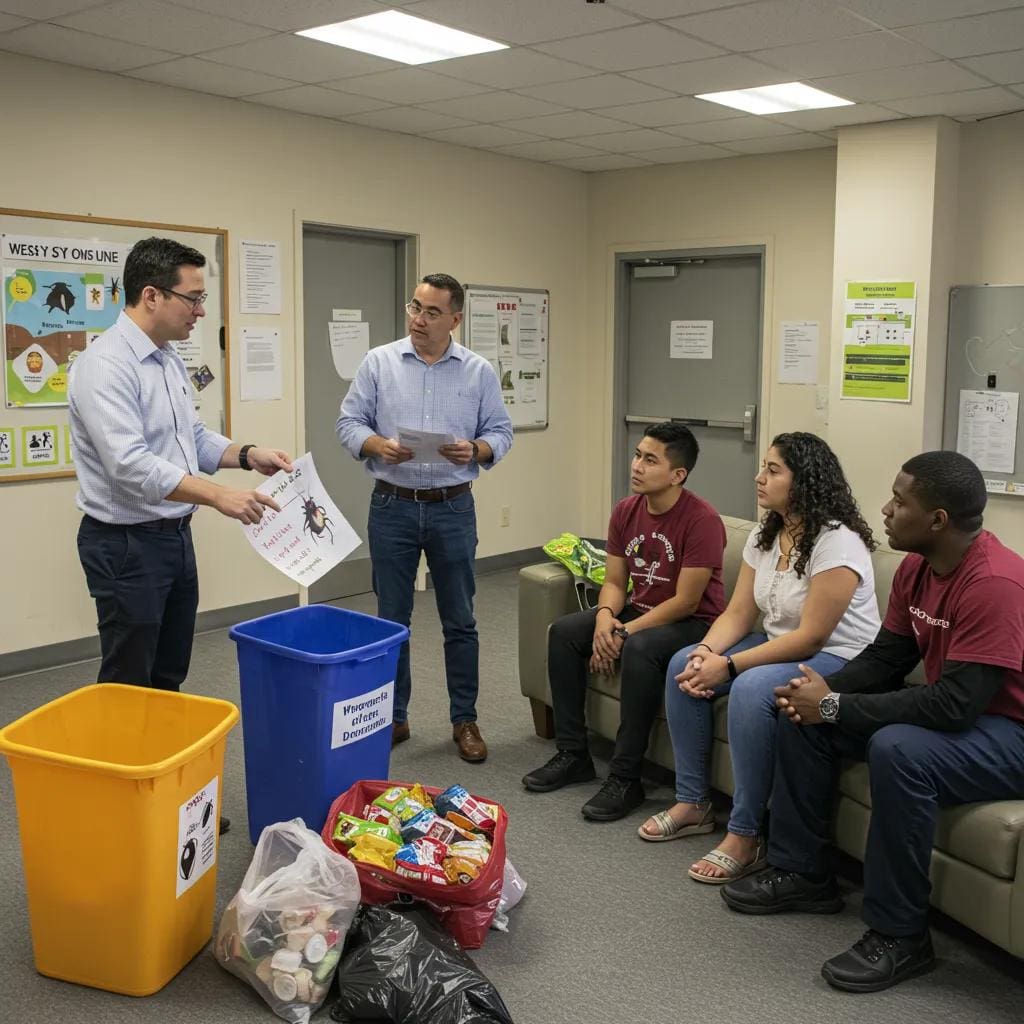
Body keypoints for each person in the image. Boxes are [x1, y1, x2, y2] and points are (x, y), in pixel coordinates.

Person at [722, 451, 1024, 993]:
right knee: (801, 714)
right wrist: (819, 693)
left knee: (898, 750)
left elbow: (955, 705)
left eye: (900, 502)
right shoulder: (916, 568)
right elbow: (887, 658)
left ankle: (901, 936)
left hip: (1011, 731)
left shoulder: (995, 583)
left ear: (938, 519)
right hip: (969, 715)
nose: (885, 509)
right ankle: (803, 872)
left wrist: (834, 705)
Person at [69, 237, 293, 831]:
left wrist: (246, 453)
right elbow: (130, 465)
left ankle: (167, 800)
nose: (200, 310)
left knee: (167, 675)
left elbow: (188, 437)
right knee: (128, 683)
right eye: (192, 298)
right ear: (151, 295)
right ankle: (122, 814)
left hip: (172, 539)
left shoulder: (166, 358)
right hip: (125, 545)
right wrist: (219, 496)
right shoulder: (104, 366)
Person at [641, 433, 880, 884]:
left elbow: (811, 637)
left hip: (840, 657)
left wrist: (730, 666)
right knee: (682, 663)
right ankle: (693, 803)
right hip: (779, 644)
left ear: (803, 481)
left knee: (752, 689)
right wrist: (707, 652)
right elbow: (738, 613)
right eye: (763, 467)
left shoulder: (837, 542)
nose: (759, 477)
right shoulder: (766, 533)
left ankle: (746, 835)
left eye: (773, 470)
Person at [336, 274, 513, 763]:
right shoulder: (379, 362)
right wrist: (377, 444)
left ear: (455, 319)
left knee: (460, 619)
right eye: (415, 307)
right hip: (391, 505)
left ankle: (465, 719)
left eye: (432, 312)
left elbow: (501, 432)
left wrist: (476, 449)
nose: (418, 318)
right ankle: (394, 717)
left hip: (452, 507)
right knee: (392, 620)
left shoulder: (478, 371)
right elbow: (348, 423)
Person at [522, 422, 727, 821]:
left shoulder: (701, 519)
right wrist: (605, 618)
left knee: (640, 648)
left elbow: (687, 601)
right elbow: (615, 582)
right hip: (640, 611)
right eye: (637, 455)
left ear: (677, 474)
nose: (636, 466)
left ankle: (626, 777)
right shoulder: (626, 510)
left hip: (694, 623)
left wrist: (625, 632)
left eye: (650, 460)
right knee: (564, 632)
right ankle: (573, 754)